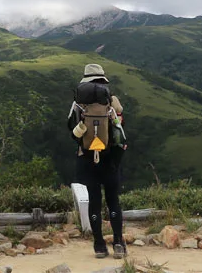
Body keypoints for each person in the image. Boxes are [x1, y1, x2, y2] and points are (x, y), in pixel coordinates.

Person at [67, 63, 128, 259]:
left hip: (86, 158)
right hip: (109, 158)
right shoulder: (111, 100)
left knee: (94, 201)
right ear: (103, 80)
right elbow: (120, 127)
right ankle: (118, 243)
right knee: (113, 201)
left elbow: (71, 128)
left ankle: (99, 245)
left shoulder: (78, 103)